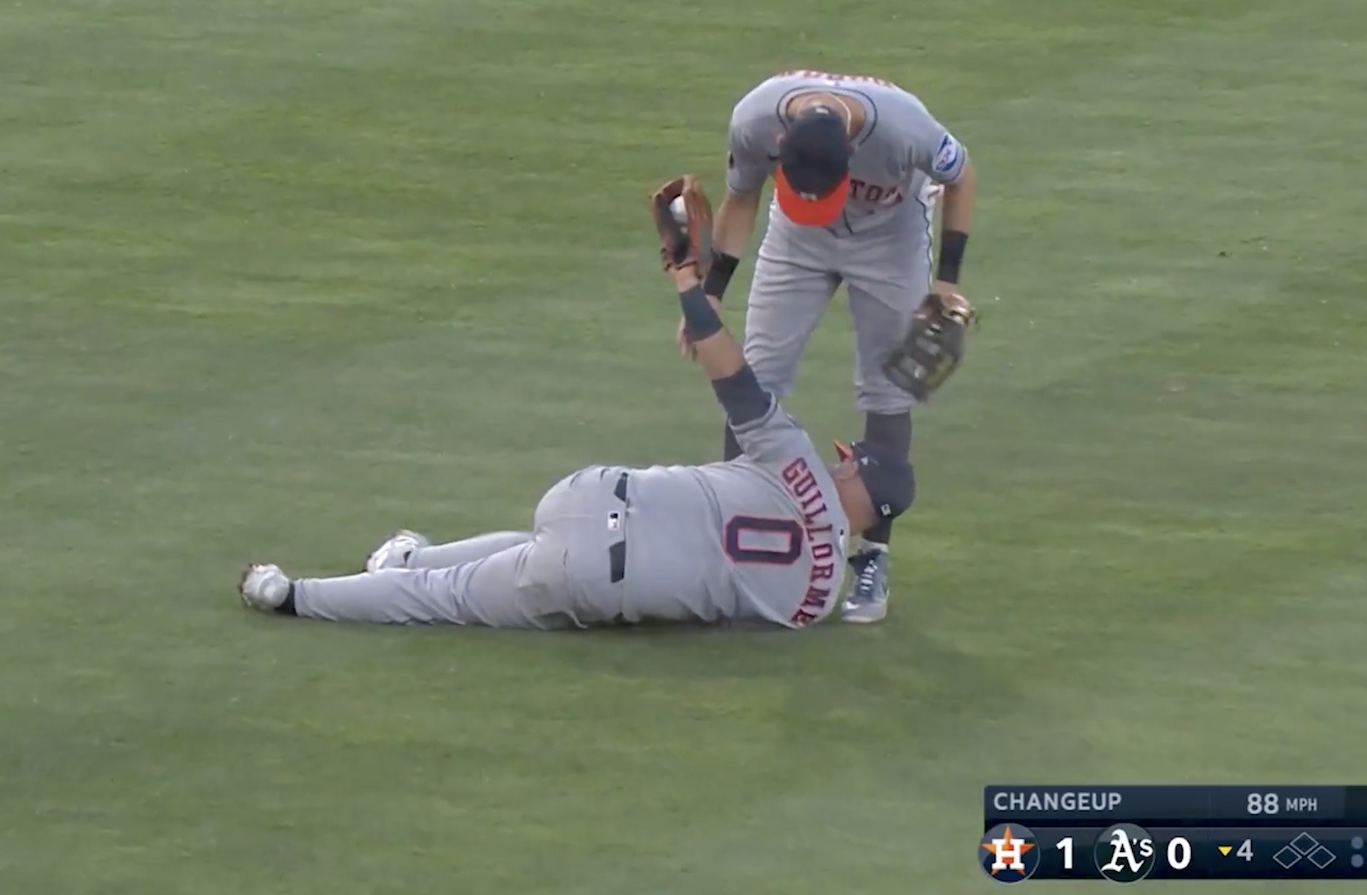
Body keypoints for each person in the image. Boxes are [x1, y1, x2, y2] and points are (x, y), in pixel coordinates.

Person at [236, 245, 916, 629]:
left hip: (590, 501)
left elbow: (731, 376)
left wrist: (688, 283)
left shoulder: (792, 455)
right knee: (466, 592)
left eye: (848, 461)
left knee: (504, 564)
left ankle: (343, 578)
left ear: (853, 471)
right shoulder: (815, 601)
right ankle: (324, 583)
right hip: (603, 588)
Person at [688, 68, 977, 623]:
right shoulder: (755, 117)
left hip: (891, 240)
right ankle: (738, 549)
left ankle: (873, 557)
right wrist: (713, 292)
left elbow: (963, 176)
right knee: (755, 379)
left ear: (850, 148)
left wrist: (947, 281)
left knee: (891, 389)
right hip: (798, 241)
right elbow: (741, 196)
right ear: (780, 143)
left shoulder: (904, 125)